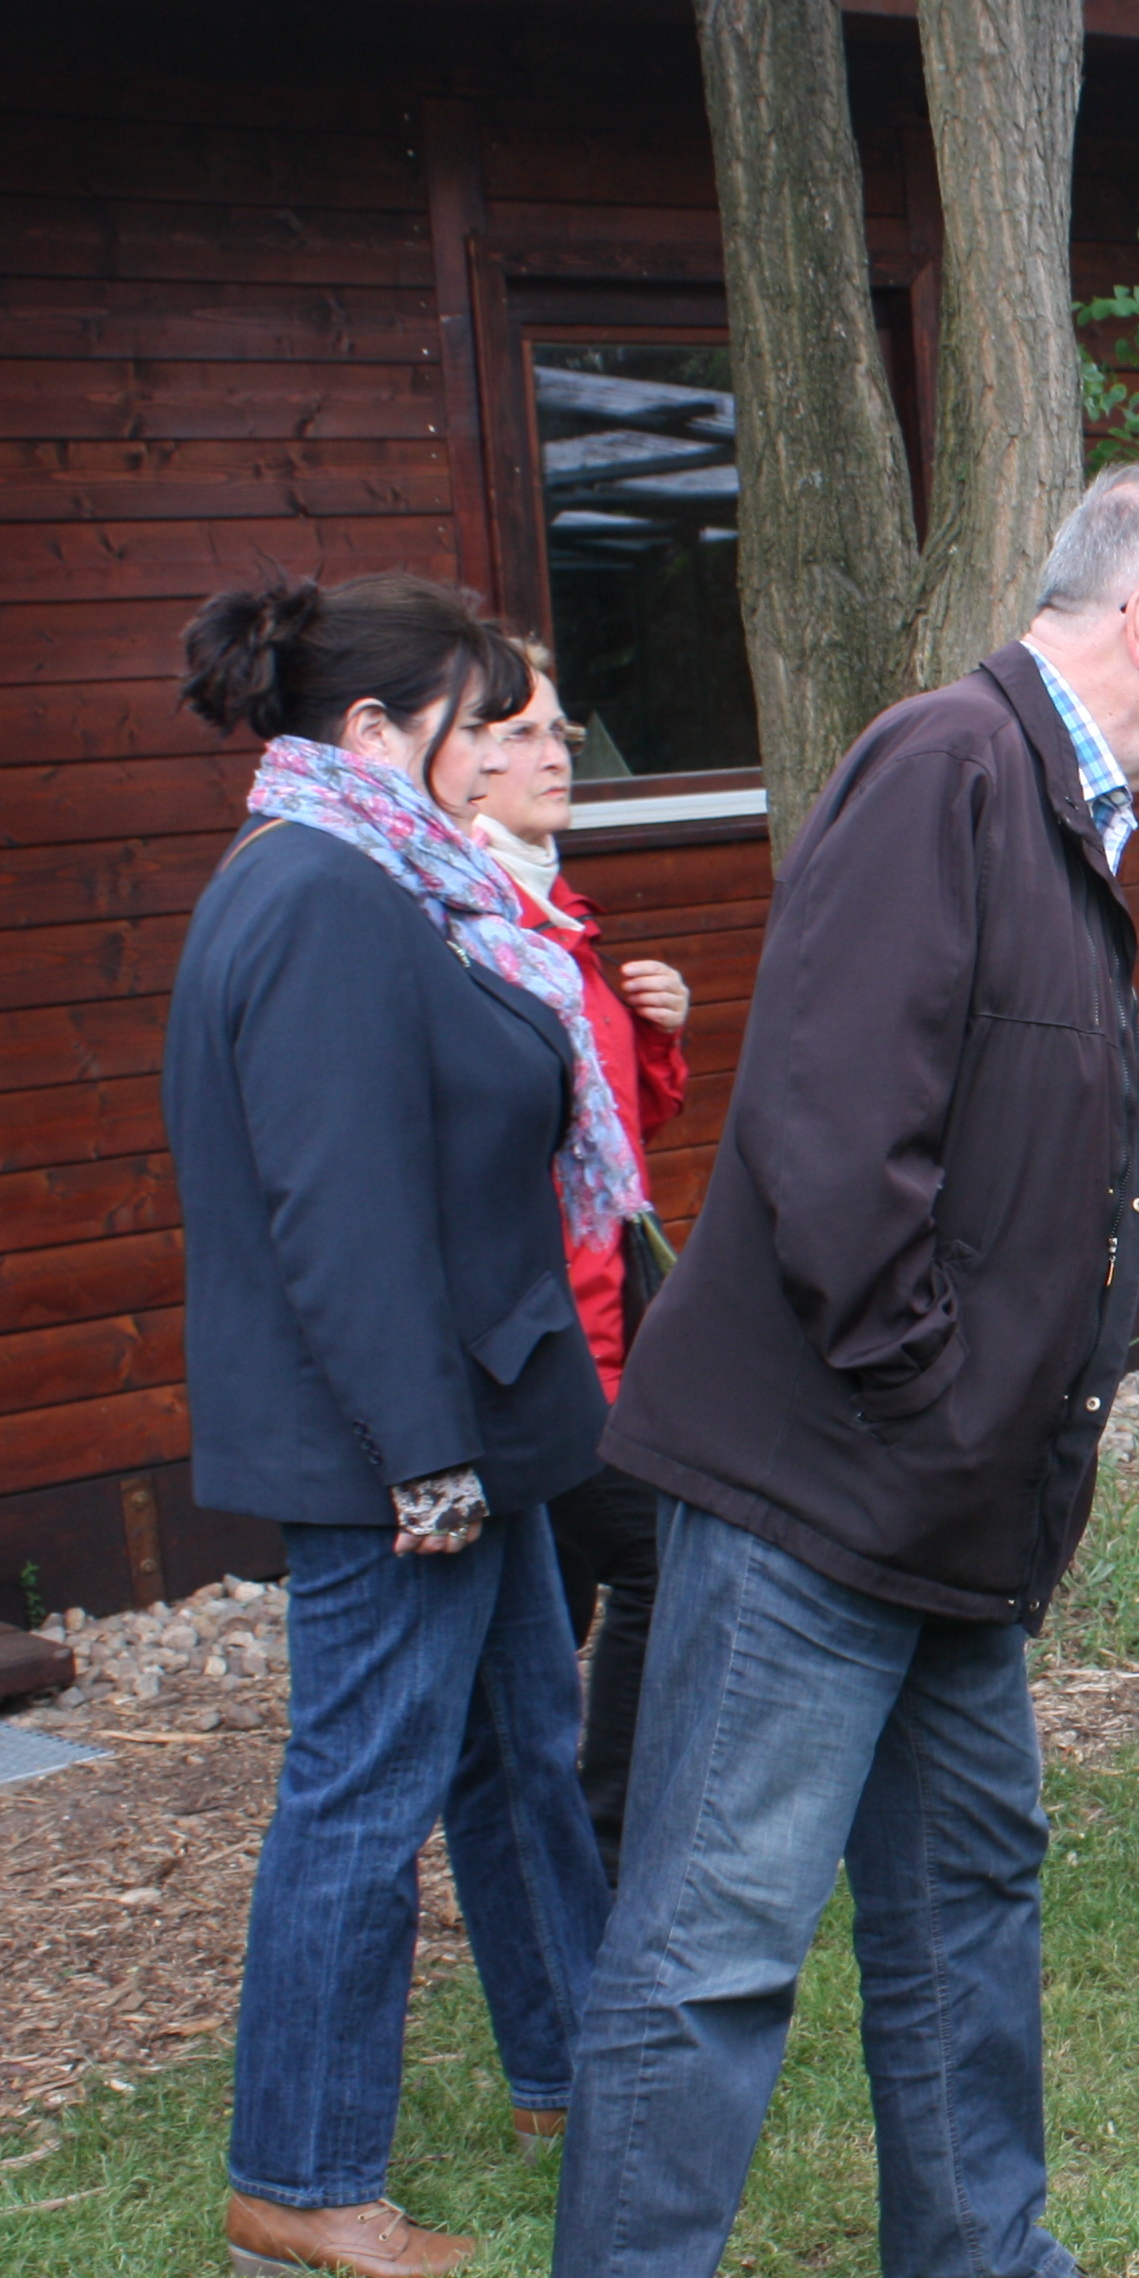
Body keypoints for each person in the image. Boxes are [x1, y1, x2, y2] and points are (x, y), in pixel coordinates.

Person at [528, 460, 1139, 2278]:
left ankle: (969, 2261)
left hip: (948, 1494)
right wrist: (945, 1387)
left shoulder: (1054, 806)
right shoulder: (944, 767)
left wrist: (991, 1435)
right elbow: (831, 1134)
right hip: (829, 1481)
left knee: (969, 1876)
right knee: (715, 1933)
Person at [162, 573, 632, 2278]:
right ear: (376, 730)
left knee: (516, 1751)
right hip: (394, 1449)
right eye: (475, 710)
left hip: (470, 1419)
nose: (511, 739)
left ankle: (581, 2070)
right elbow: (336, 1206)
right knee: (359, 1795)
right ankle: (297, 2172)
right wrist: (420, 1455)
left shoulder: (380, 879)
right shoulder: (321, 896)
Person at [469, 653, 693, 1888]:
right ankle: (582, 1844)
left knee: (586, 1593)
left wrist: (655, 1036)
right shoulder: (476, 925)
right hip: (543, 1343)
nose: (558, 753)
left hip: (605, 1331)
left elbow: (612, 1137)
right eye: (522, 732)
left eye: (564, 729)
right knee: (631, 1573)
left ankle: (570, 1846)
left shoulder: (562, 920)